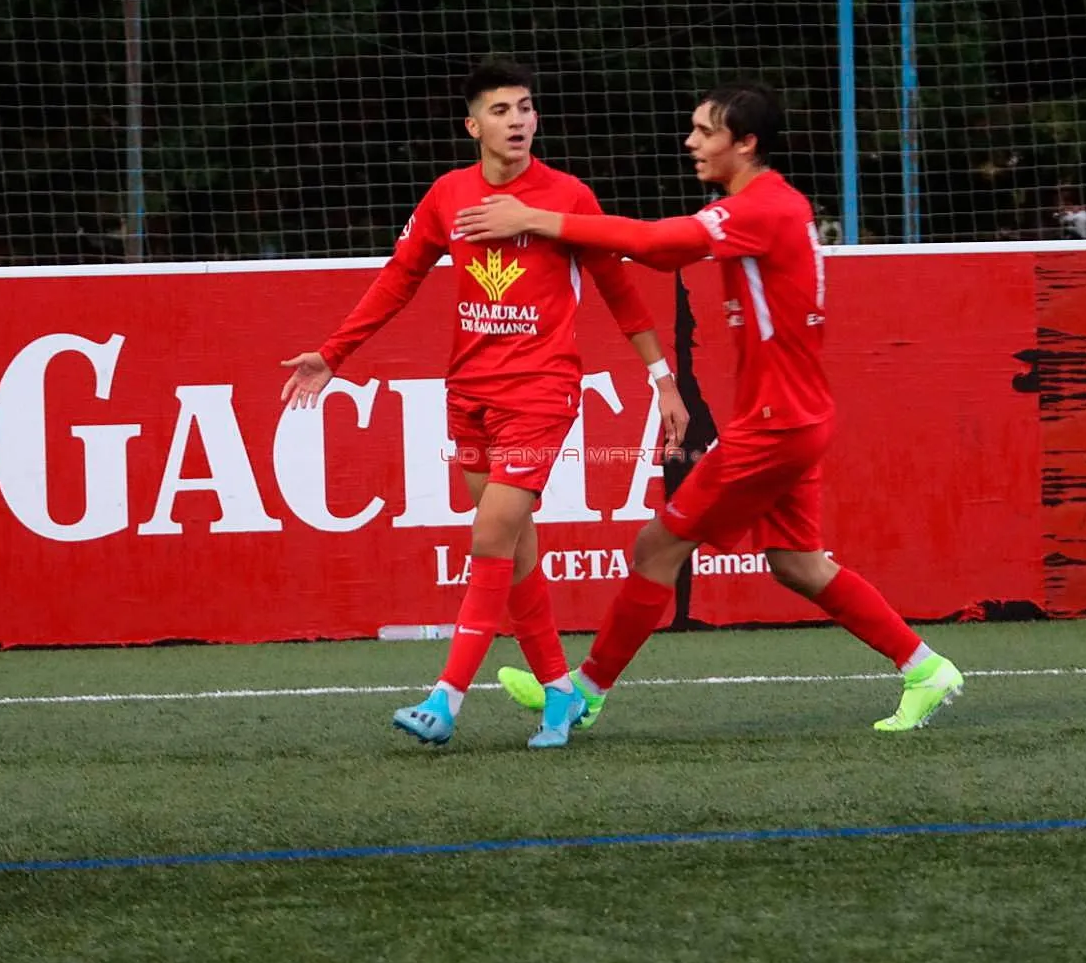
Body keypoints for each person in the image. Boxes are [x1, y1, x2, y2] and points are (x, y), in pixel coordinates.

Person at [453, 80, 964, 735]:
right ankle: (924, 668)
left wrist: (537, 219)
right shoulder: (771, 204)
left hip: (775, 424)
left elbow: (662, 247)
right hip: (795, 416)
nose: (691, 142)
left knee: (656, 545)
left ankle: (584, 692)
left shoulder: (761, 209)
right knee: (796, 563)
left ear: (744, 144)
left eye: (705, 131)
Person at [280, 59, 687, 749]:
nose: (519, 120)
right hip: (468, 394)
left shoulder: (565, 197)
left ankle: (446, 698)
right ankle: (560, 693)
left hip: (542, 390)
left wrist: (662, 378)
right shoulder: (448, 196)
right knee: (516, 548)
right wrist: (333, 352)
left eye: (526, 107)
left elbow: (619, 290)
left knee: (492, 535)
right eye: (501, 111)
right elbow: (398, 279)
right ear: (474, 125)